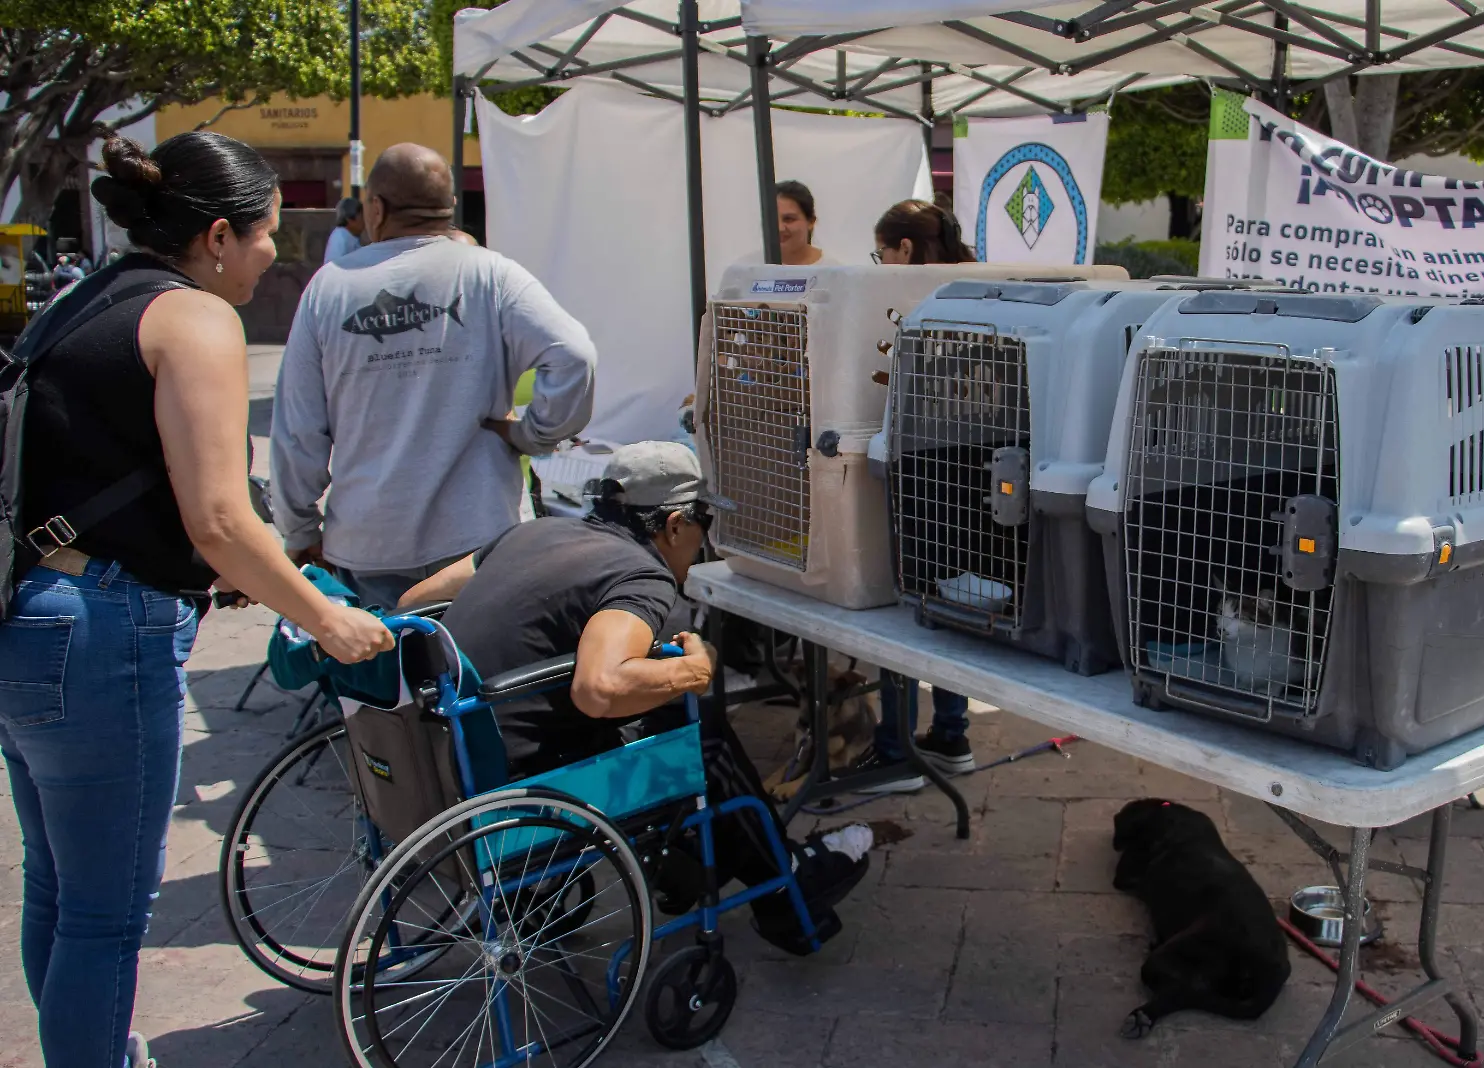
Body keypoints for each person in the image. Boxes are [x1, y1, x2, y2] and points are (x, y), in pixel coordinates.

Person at [0, 132, 391, 1068]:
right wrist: (328, 619)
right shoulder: (196, 319)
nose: (271, 254)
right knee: (104, 912)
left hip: (31, 615)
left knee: (59, 889)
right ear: (218, 234)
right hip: (104, 633)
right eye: (265, 235)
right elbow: (220, 520)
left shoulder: (84, 298)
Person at [399, 440, 871, 953]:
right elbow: (601, 687)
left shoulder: (533, 531)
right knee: (699, 732)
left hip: (437, 761)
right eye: (704, 524)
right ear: (674, 525)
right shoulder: (640, 575)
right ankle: (784, 890)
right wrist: (696, 670)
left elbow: (411, 605)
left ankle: (695, 865)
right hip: (511, 787)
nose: (704, 542)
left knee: (670, 719)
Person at [271, 143, 597, 611]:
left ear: (377, 208)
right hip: (480, 539)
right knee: (476, 679)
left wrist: (299, 529)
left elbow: (297, 430)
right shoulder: (492, 273)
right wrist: (533, 435)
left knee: (382, 679)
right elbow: (574, 355)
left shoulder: (330, 287)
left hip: (370, 547)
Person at [847, 198, 981, 793]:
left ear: (902, 249)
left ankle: (896, 751)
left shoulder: (906, 297)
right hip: (975, 460)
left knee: (905, 609)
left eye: (881, 251)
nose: (878, 262)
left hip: (920, 463)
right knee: (948, 608)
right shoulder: (977, 285)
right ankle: (950, 735)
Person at [323, 196, 364, 264]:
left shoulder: (351, 235)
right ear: (350, 219)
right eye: (361, 216)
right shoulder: (340, 238)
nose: (364, 221)